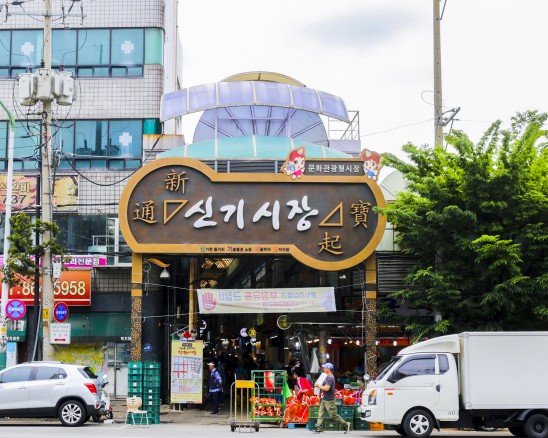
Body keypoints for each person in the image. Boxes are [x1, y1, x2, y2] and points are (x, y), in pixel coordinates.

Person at [313, 363, 350, 434]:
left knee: (333, 415)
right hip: (324, 398)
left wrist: (318, 386)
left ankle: (346, 424)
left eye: (325, 367)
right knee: (320, 414)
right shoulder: (326, 376)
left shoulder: (330, 378)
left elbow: (326, 388)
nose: (323, 369)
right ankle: (319, 429)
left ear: (328, 369)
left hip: (329, 400)